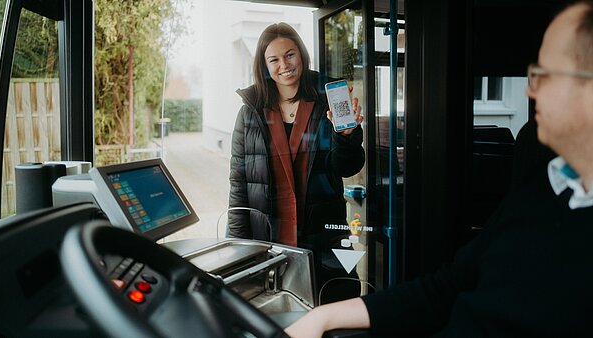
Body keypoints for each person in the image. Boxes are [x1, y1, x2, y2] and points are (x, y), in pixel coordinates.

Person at [285, 1, 593, 337]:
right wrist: (322, 318)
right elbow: (445, 287)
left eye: (543, 75)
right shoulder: (542, 184)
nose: (530, 89)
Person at [227, 22, 365, 301]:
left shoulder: (326, 101)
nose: (284, 65)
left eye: (290, 55)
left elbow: (347, 168)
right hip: (268, 239)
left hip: (322, 238)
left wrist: (347, 137)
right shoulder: (250, 113)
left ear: (301, 54)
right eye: (274, 59)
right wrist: (236, 247)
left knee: (336, 305)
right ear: (264, 66)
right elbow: (238, 184)